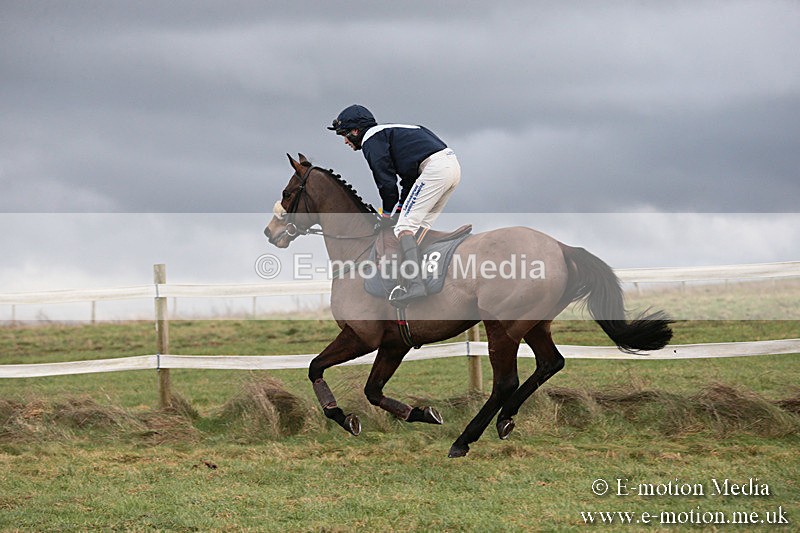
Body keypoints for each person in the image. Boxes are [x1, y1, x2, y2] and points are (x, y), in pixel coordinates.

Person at [328, 104, 461, 306]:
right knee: (417, 227)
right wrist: (398, 210)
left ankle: (416, 285)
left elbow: (386, 182)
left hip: (434, 170)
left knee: (404, 228)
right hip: (450, 169)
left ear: (356, 131)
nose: (345, 141)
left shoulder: (371, 140)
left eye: (345, 135)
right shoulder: (391, 133)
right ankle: (418, 276)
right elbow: (408, 180)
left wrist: (388, 215)